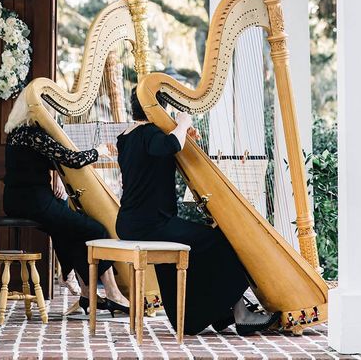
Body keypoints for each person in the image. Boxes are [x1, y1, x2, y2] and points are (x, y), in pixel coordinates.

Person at [115, 88, 280, 336]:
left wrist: (184, 135)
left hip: (131, 222)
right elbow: (169, 145)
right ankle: (239, 314)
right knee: (220, 241)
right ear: (158, 109)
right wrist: (183, 122)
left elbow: (163, 153)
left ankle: (212, 314)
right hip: (152, 224)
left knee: (196, 246)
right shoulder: (150, 134)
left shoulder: (127, 136)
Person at [3, 88, 129, 316]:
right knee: (95, 229)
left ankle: (85, 292)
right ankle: (113, 293)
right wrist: (98, 151)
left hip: (18, 200)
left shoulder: (17, 133)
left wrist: (58, 178)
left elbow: (43, 163)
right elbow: (72, 159)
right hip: (34, 201)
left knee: (69, 231)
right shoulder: (34, 135)